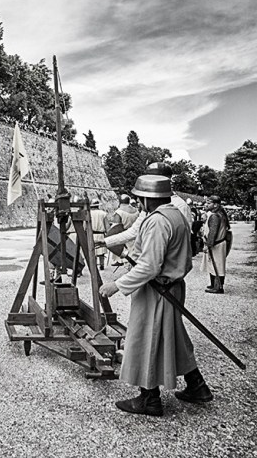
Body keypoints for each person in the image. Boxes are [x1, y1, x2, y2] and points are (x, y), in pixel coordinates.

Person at [100, 175, 212, 416]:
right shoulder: (176, 215)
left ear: (147, 198)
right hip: (171, 287)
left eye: (140, 199)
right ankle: (197, 386)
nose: (138, 203)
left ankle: (149, 398)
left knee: (145, 338)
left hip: (158, 290)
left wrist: (116, 285)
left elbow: (149, 266)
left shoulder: (157, 221)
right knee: (173, 336)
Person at [106, 163, 190, 263]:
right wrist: (106, 241)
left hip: (166, 265)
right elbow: (134, 231)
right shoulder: (148, 205)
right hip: (147, 260)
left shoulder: (180, 206)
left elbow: (182, 242)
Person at [202, 195, 230, 294]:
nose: (206, 205)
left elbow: (213, 232)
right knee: (214, 265)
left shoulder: (215, 216)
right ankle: (214, 284)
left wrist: (208, 245)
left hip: (217, 244)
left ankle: (218, 287)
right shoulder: (221, 213)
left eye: (209, 203)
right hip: (219, 243)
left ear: (215, 205)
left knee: (217, 265)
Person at [89, 198, 108, 270]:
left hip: (91, 234)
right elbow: (107, 227)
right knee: (101, 250)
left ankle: (94, 265)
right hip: (100, 234)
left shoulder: (88, 213)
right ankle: (102, 264)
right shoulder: (103, 213)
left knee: (93, 250)